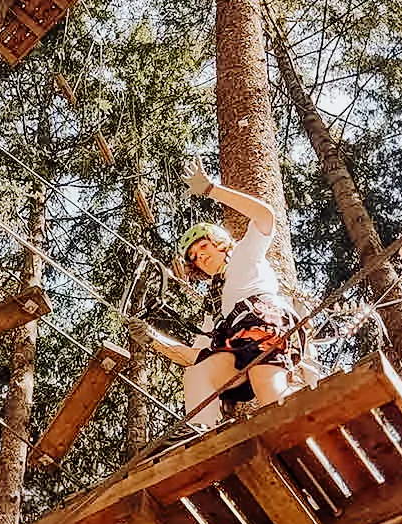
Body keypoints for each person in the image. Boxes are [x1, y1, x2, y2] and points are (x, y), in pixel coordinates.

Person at [129, 156, 301, 429]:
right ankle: (199, 430)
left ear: (219, 242)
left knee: (269, 391)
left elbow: (265, 215)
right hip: (235, 341)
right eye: (195, 257)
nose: (200, 258)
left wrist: (212, 190)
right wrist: (151, 339)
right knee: (199, 372)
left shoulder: (245, 253)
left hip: (263, 323)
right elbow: (193, 354)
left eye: (204, 248)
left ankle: (305, 412)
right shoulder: (216, 306)